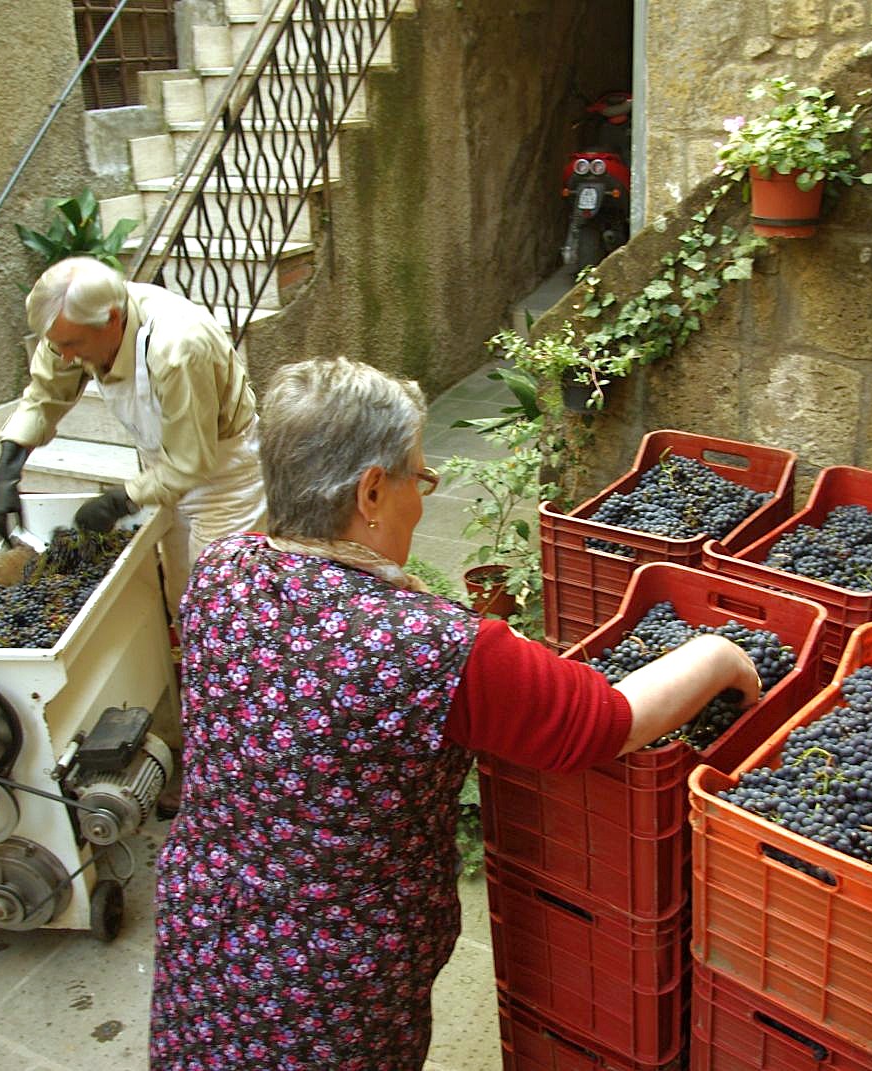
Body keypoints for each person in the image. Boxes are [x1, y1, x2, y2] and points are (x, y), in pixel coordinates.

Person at [148, 357, 761, 1070]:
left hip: (207, 934)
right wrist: (718, 654)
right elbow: (606, 721)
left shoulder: (220, 573)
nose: (422, 495)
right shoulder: (430, 645)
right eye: (418, 475)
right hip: (327, 991)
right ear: (371, 491)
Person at [0, 256, 267, 608]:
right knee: (182, 594)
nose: (65, 357)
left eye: (72, 345)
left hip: (225, 479)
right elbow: (46, 392)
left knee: (222, 604)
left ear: (112, 320)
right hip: (163, 469)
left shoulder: (177, 347)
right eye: (56, 345)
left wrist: (120, 500)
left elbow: (190, 461)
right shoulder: (70, 327)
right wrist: (9, 463)